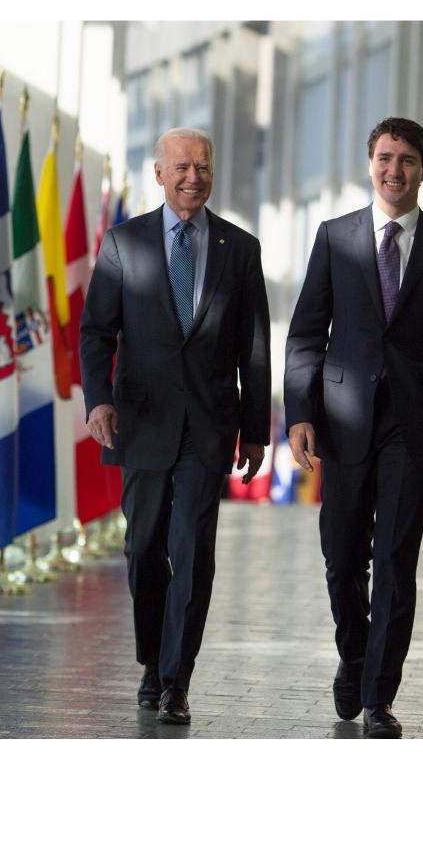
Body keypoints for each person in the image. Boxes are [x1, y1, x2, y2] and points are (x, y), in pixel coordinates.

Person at [284, 117, 423, 738]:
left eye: (406, 160)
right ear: (370, 162)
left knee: (396, 558)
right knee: (342, 555)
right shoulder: (335, 236)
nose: (393, 169)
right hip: (343, 422)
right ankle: (355, 653)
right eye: (384, 157)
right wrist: (299, 414)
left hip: (415, 423)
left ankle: (378, 697)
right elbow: (306, 333)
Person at [80, 126, 271, 725]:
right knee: (142, 548)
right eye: (182, 167)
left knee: (192, 549)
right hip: (141, 423)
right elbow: (96, 333)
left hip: (209, 429)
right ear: (159, 174)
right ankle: (151, 660)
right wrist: (98, 401)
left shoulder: (241, 250)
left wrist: (257, 429)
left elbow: (255, 348)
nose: (194, 177)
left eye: (204, 168)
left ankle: (175, 679)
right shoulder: (123, 242)